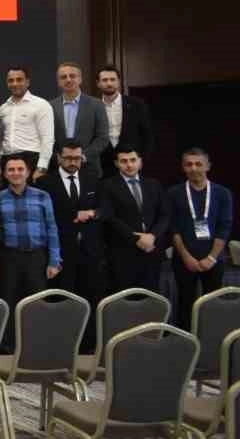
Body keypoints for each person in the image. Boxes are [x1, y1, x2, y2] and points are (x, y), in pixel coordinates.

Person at [38, 141, 104, 319]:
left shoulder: (92, 178)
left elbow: (105, 209)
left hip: (90, 251)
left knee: (90, 300)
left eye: (77, 158)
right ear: (58, 157)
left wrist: (92, 213)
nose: (73, 162)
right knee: (61, 302)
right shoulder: (44, 183)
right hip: (61, 251)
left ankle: (89, 336)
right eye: (68, 158)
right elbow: (44, 218)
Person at [0, 153, 61, 319]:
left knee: (36, 304)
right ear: (5, 174)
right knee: (8, 303)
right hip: (9, 258)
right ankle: (9, 336)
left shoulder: (42, 196)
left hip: (36, 257)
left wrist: (54, 261)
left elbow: (52, 229)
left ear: (28, 172)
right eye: (11, 170)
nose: (16, 173)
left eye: (20, 169)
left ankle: (36, 335)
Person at [168, 147, 231, 329]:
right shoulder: (173, 193)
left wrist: (212, 257)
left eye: (198, 164)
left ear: (208, 166)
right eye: (189, 164)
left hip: (214, 259)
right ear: (183, 167)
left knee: (213, 304)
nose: (194, 168)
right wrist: (186, 257)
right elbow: (173, 229)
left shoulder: (222, 193)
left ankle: (212, 338)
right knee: (185, 303)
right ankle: (184, 340)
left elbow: (224, 227)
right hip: (184, 259)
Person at [96, 146, 169, 293]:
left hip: (151, 250)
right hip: (123, 252)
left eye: (133, 160)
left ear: (140, 162)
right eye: (124, 161)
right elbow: (109, 217)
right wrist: (136, 238)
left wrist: (152, 236)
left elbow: (164, 215)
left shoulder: (153, 184)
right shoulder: (106, 185)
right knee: (124, 297)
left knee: (151, 296)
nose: (129, 165)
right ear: (116, 163)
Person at [95, 65, 153, 178]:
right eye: (105, 80)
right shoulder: (92, 106)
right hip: (103, 165)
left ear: (119, 81)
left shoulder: (137, 104)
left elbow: (147, 134)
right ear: (98, 83)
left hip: (131, 163)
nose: (109, 83)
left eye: (112, 79)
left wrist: (142, 159)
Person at [0, 66, 54, 178]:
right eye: (11, 80)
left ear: (27, 82)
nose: (15, 83)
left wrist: (42, 167)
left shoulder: (41, 105)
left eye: (19, 80)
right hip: (7, 160)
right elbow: (0, 139)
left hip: (31, 160)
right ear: (7, 83)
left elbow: (47, 138)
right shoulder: (3, 108)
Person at [51, 62, 110, 167]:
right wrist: (58, 157)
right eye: (63, 77)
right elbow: (46, 138)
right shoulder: (50, 106)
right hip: (59, 166)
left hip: (88, 165)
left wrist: (82, 157)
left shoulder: (97, 105)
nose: (68, 80)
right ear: (58, 82)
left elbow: (102, 138)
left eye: (72, 76)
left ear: (80, 79)